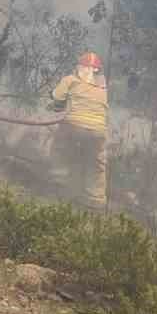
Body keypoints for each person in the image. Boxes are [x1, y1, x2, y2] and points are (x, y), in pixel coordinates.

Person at [49, 50, 109, 208]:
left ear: (79, 67)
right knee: (96, 163)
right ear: (98, 71)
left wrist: (56, 106)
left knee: (60, 149)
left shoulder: (70, 79)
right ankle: (96, 200)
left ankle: (59, 182)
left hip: (73, 125)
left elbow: (57, 98)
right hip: (98, 130)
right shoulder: (103, 87)